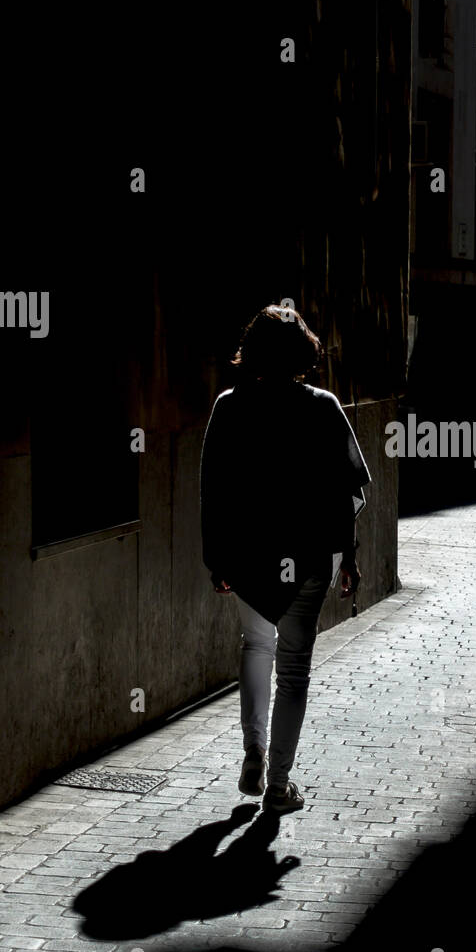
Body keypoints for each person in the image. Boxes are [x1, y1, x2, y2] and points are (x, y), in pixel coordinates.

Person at [199, 305, 371, 814]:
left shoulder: (228, 407)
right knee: (294, 669)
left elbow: (213, 490)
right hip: (308, 555)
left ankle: (252, 747)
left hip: (249, 558)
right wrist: (350, 556)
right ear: (304, 352)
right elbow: (345, 490)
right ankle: (278, 784)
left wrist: (218, 560)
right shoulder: (323, 406)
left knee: (256, 646)